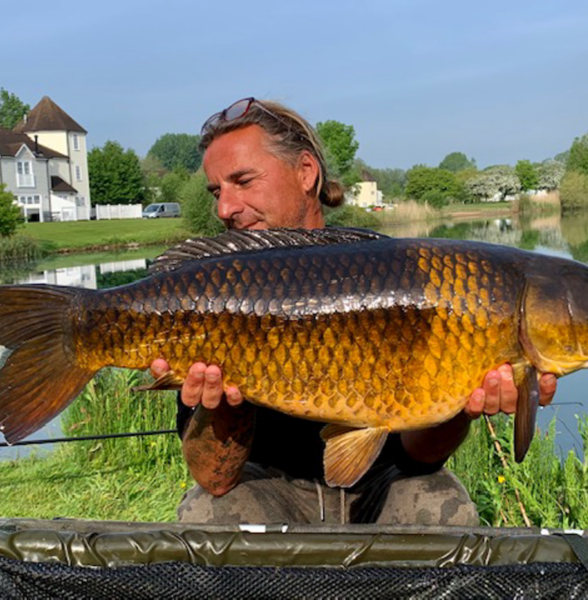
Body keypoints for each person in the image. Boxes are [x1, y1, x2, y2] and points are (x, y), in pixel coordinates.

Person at [151, 98, 557, 525]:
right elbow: (213, 481)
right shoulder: (213, 296)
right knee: (205, 514)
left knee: (440, 504)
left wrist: (461, 405)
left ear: (306, 172)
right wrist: (223, 406)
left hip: (380, 485)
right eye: (217, 191)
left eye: (243, 181)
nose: (224, 209)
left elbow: (421, 457)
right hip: (270, 489)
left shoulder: (396, 273)